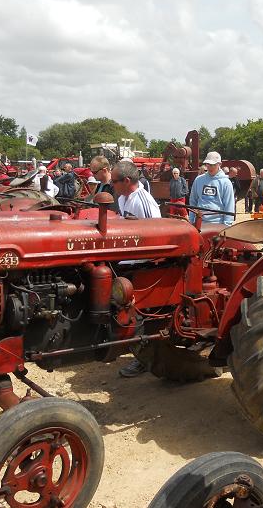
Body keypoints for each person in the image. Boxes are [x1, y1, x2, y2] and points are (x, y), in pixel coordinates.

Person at [113, 160, 161, 378]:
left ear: (127, 181)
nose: (112, 186)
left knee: (138, 311)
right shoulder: (123, 197)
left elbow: (156, 236)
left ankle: (142, 359)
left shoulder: (143, 201)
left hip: (142, 264)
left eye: (114, 182)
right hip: (126, 259)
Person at [189, 151, 235, 226]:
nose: (210, 167)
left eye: (213, 165)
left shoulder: (226, 183)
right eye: (208, 164)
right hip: (199, 222)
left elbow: (229, 206)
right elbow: (193, 201)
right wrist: (191, 220)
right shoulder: (198, 180)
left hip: (218, 224)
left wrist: (227, 225)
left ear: (219, 164)